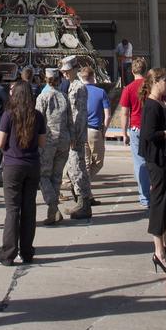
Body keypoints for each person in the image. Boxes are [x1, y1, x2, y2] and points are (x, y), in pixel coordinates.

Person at [0, 80, 45, 266]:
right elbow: (42, 142)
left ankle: (7, 254)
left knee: (12, 210)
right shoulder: (37, 116)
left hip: (13, 165)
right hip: (32, 165)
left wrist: (9, 147)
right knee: (29, 209)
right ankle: (27, 252)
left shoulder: (8, 115)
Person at [138, 67, 166, 274]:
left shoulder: (159, 103)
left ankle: (165, 245)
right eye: (165, 81)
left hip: (164, 158)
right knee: (159, 202)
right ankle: (158, 250)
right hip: (157, 160)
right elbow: (149, 134)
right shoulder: (152, 106)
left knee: (165, 200)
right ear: (156, 82)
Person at [36, 67, 71, 224]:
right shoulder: (64, 97)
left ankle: (53, 205)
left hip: (48, 141)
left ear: (46, 79)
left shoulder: (42, 97)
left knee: (43, 175)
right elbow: (71, 121)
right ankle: (52, 213)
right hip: (63, 140)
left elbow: (38, 120)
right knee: (56, 176)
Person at [62, 56, 93, 219]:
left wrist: (75, 136)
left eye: (67, 71)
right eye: (64, 71)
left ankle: (83, 204)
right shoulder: (72, 86)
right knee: (73, 168)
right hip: (73, 134)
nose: (65, 74)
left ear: (74, 69)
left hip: (77, 135)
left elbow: (79, 115)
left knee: (77, 168)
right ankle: (81, 202)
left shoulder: (78, 87)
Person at [119, 55, 150, 209]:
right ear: (146, 70)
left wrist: (124, 133)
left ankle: (145, 197)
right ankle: (160, 193)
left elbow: (124, 113)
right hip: (153, 127)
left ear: (132, 71)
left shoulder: (128, 89)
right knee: (155, 162)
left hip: (136, 128)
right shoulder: (152, 87)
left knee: (140, 163)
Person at [79, 64, 110, 196]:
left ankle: (83, 188)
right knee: (98, 163)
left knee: (85, 163)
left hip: (81, 130)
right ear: (93, 77)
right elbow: (107, 115)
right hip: (94, 130)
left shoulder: (78, 91)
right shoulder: (100, 92)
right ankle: (84, 185)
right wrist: (104, 131)